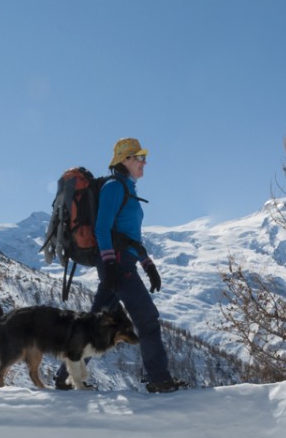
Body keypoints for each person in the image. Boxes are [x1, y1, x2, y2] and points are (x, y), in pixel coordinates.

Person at [54, 137, 187, 393]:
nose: (144, 162)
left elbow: (129, 238)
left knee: (94, 324)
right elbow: (102, 229)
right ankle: (159, 379)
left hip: (120, 263)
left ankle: (65, 377)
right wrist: (111, 265)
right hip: (116, 265)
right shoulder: (114, 187)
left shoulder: (127, 187)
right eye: (139, 157)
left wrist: (148, 264)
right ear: (125, 160)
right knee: (147, 319)